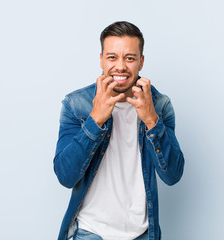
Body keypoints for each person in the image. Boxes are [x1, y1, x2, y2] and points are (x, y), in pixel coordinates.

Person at [53, 21, 184, 240]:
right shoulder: (76, 105)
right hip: (90, 233)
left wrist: (152, 120)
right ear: (102, 59)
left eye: (130, 58)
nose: (120, 67)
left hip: (143, 234)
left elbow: (172, 175)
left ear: (141, 62)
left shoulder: (160, 105)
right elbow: (65, 176)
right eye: (112, 57)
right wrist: (95, 120)